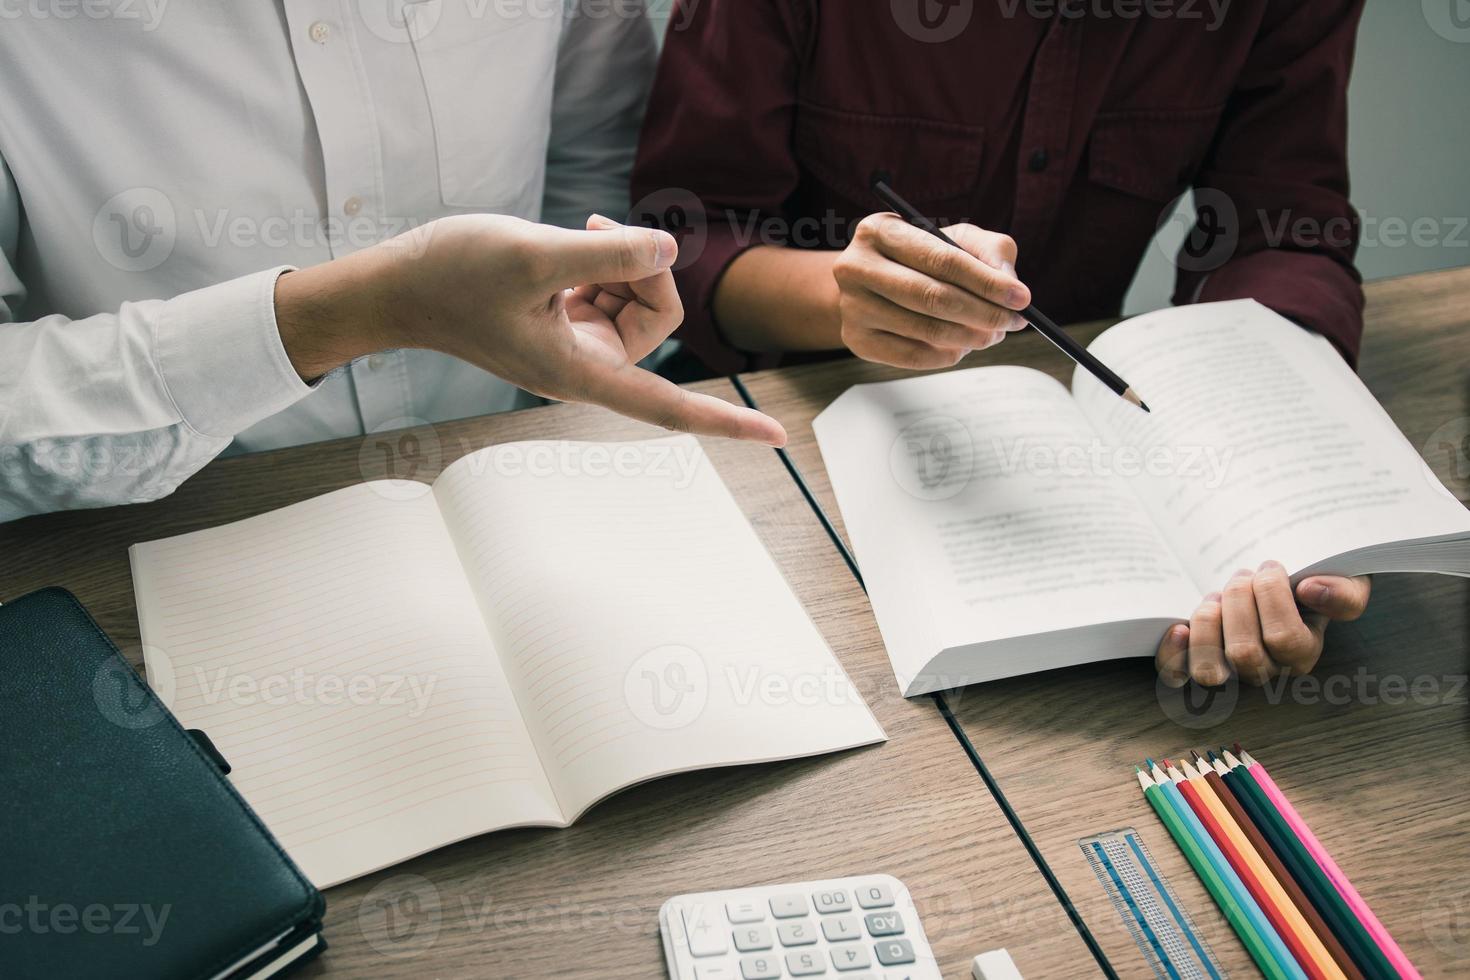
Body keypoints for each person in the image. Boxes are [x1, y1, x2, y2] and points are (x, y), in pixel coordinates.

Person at [632, 0, 1371, 687]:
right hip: (782, 433)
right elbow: (687, 237)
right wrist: (838, 298)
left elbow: (1280, 231)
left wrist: (1284, 488)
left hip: (1084, 470)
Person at [0, 3, 784, 525]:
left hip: (516, 475)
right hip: (144, 534)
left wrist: (569, 323)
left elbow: (591, 144)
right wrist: (356, 312)